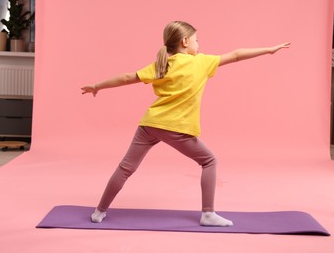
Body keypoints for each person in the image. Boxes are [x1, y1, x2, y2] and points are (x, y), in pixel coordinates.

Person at [81, 21, 290, 226]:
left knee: (125, 168)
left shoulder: (162, 65)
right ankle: (208, 214)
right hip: (176, 128)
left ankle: (100, 211)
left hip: (150, 124)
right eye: (197, 40)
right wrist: (269, 50)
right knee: (209, 161)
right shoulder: (200, 62)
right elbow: (235, 55)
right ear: (185, 42)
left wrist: (97, 86)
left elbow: (127, 77)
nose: (199, 45)